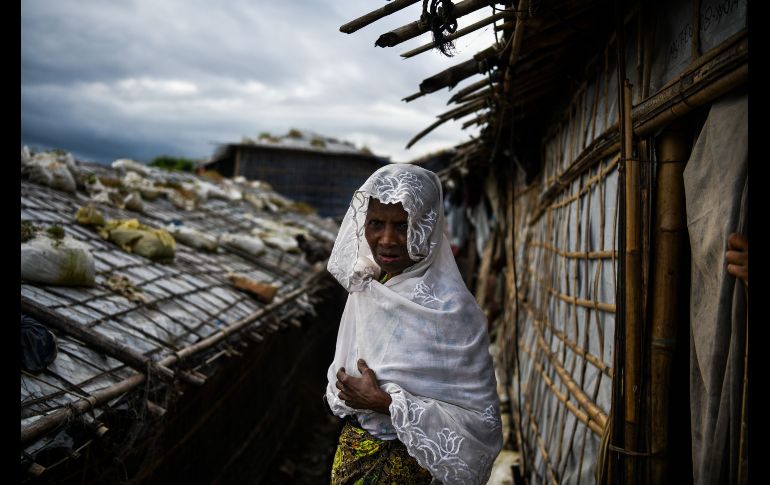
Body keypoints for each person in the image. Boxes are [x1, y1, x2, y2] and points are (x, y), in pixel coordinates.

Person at [324, 164, 502, 484]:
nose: (387, 239)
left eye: (403, 226)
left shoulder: (453, 311)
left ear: (428, 226)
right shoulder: (367, 285)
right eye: (376, 223)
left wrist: (386, 403)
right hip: (353, 448)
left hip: (409, 467)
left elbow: (481, 422)